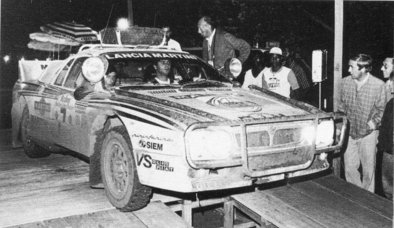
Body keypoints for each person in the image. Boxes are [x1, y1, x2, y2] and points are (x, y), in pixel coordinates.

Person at [338, 54, 386, 192]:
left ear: (364, 69)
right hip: (350, 134)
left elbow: (382, 111)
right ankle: (356, 197)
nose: (348, 70)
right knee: (349, 169)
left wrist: (370, 126)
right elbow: (341, 108)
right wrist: (341, 128)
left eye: (351, 67)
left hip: (368, 135)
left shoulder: (378, 85)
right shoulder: (345, 82)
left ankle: (367, 199)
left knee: (368, 171)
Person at [378, 57, 393, 199]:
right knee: (387, 186)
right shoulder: (385, 88)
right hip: (388, 147)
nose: (382, 69)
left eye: (386, 66)